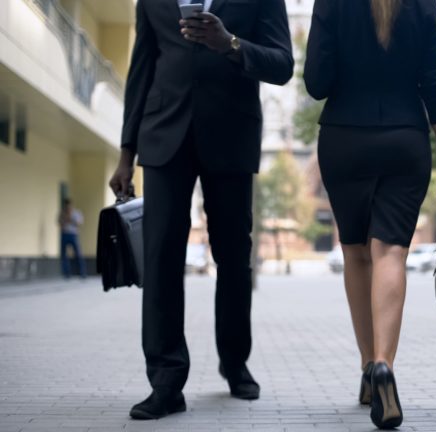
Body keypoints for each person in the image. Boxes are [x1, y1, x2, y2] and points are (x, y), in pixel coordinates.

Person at [109, 0, 293, 420]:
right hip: (163, 134)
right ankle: (166, 381)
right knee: (160, 258)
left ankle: (234, 362)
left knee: (232, 258)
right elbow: (141, 71)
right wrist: (126, 152)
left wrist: (228, 43)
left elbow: (282, 64)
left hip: (232, 134)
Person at [304, 0, 436, 428]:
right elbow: (435, 88)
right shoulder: (424, 6)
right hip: (404, 139)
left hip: (343, 139)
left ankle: (367, 370)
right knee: (391, 253)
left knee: (356, 253)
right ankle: (384, 364)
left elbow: (316, 84)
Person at [58, 199, 86, 279]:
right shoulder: (62, 213)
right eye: (66, 206)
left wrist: (71, 219)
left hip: (73, 234)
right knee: (64, 255)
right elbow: (59, 222)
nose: (67, 207)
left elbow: (79, 223)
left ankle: (82, 273)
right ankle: (66, 274)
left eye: (69, 205)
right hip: (64, 234)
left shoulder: (76, 213)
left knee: (78, 254)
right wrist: (64, 218)